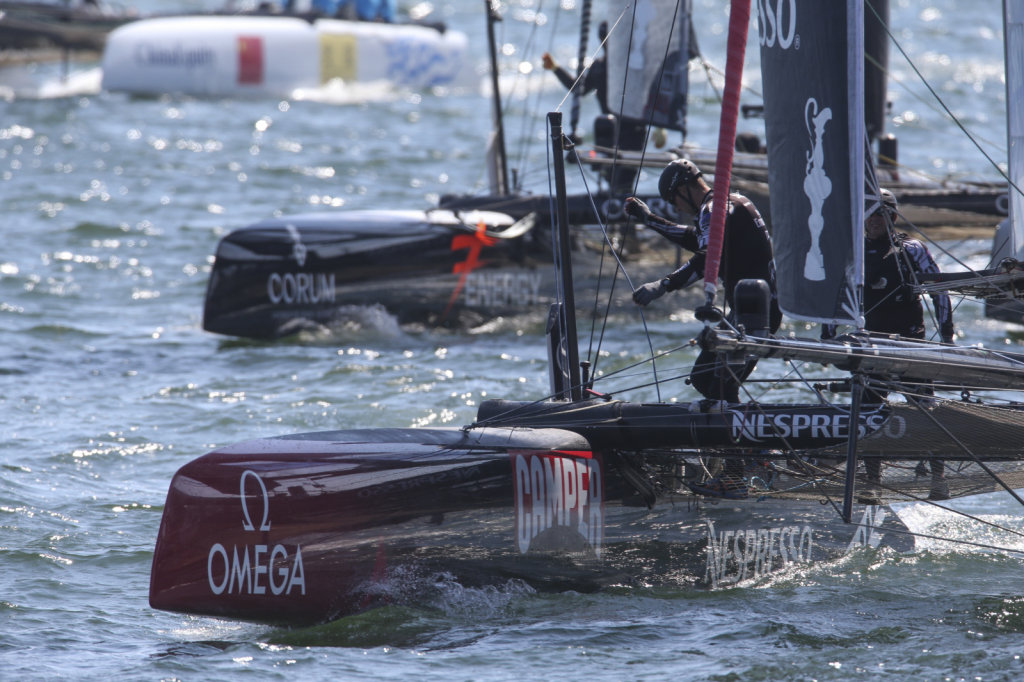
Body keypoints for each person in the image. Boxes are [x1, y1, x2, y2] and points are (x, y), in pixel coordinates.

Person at [625, 159, 781, 498]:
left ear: (684, 189)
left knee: (719, 390)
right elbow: (705, 251)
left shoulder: (715, 207)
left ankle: (740, 473)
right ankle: (758, 450)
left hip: (754, 314)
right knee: (705, 380)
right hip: (752, 309)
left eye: (675, 202)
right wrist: (663, 279)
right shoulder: (732, 202)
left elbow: (702, 251)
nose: (677, 209)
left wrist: (651, 223)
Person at [824, 188, 954, 500]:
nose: (873, 221)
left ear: (892, 217)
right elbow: (837, 295)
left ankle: (939, 477)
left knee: (926, 409)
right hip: (873, 347)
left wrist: (947, 334)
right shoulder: (854, 252)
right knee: (869, 412)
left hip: (911, 344)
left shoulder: (911, 249)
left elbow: (940, 289)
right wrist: (827, 335)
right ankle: (872, 484)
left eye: (879, 214)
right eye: (867, 215)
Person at [542, 22, 645, 193]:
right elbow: (578, 89)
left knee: (624, 181)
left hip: (632, 131)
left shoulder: (632, 66)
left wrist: (659, 127)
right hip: (607, 130)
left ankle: (623, 208)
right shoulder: (598, 66)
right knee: (610, 179)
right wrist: (555, 68)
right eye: (605, 39)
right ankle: (613, 211)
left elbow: (649, 94)